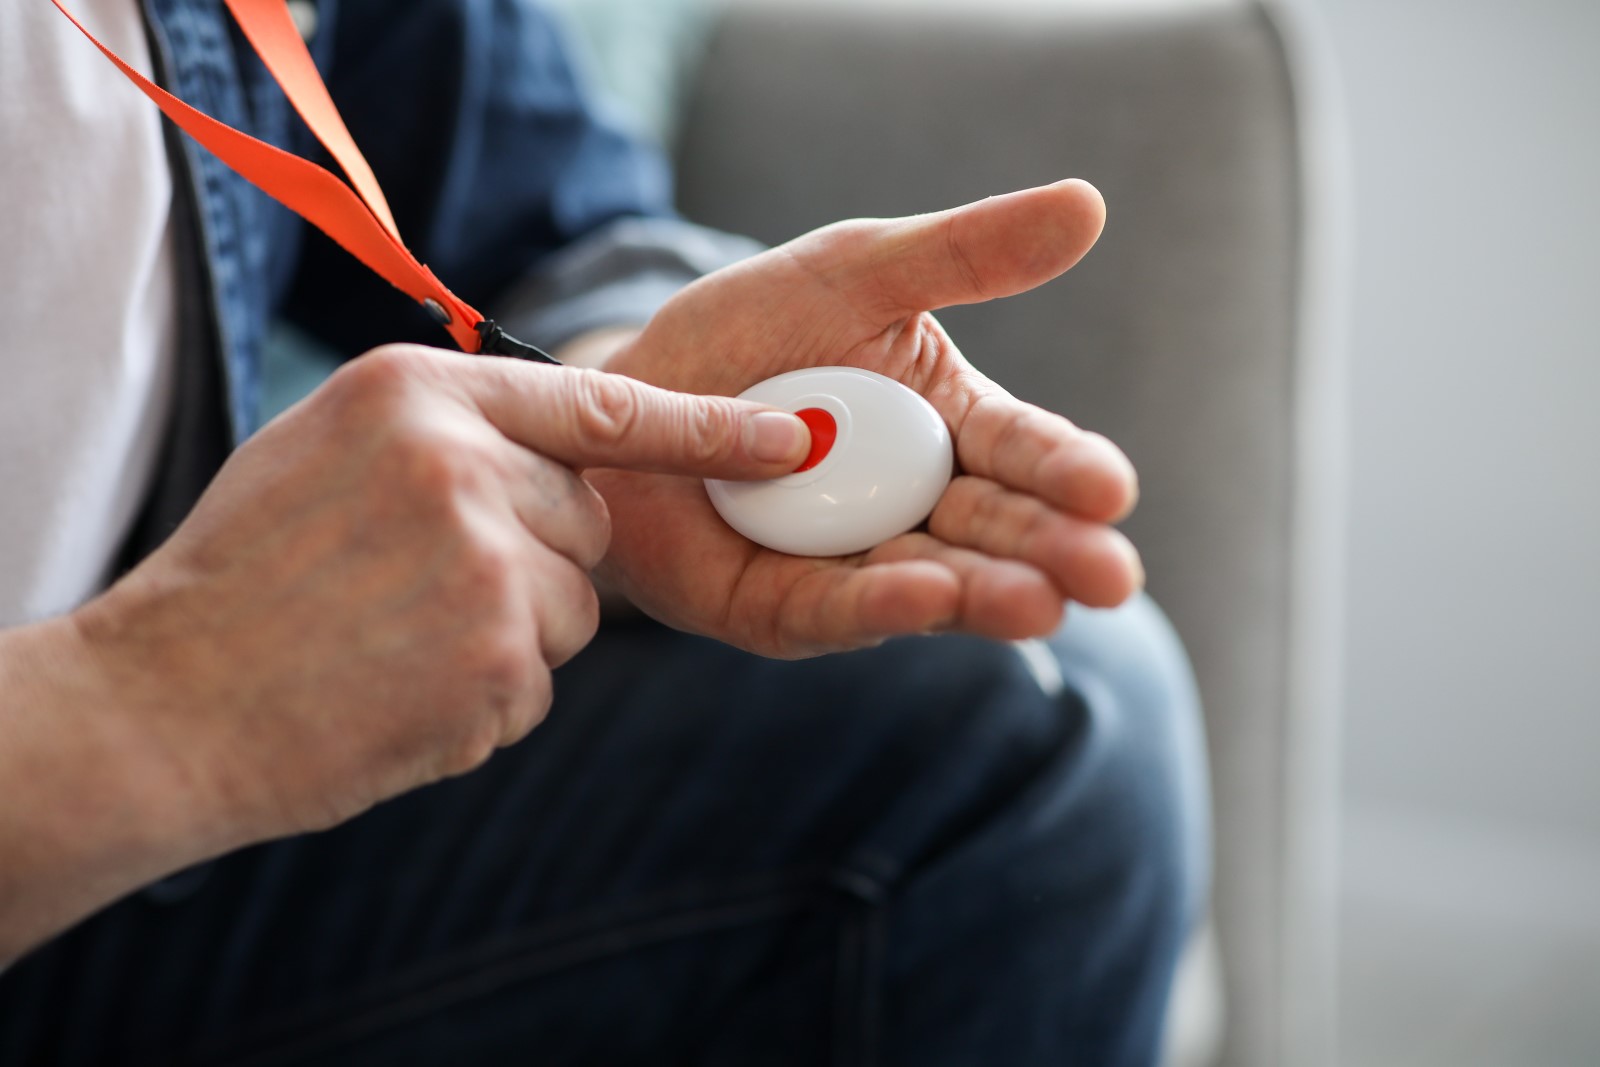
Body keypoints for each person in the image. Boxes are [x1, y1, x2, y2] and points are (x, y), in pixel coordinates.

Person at [0, 1, 1210, 1064]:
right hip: (68, 802)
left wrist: (623, 398)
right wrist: (151, 705)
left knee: (1052, 722)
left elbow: (524, 206)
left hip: (152, 877)